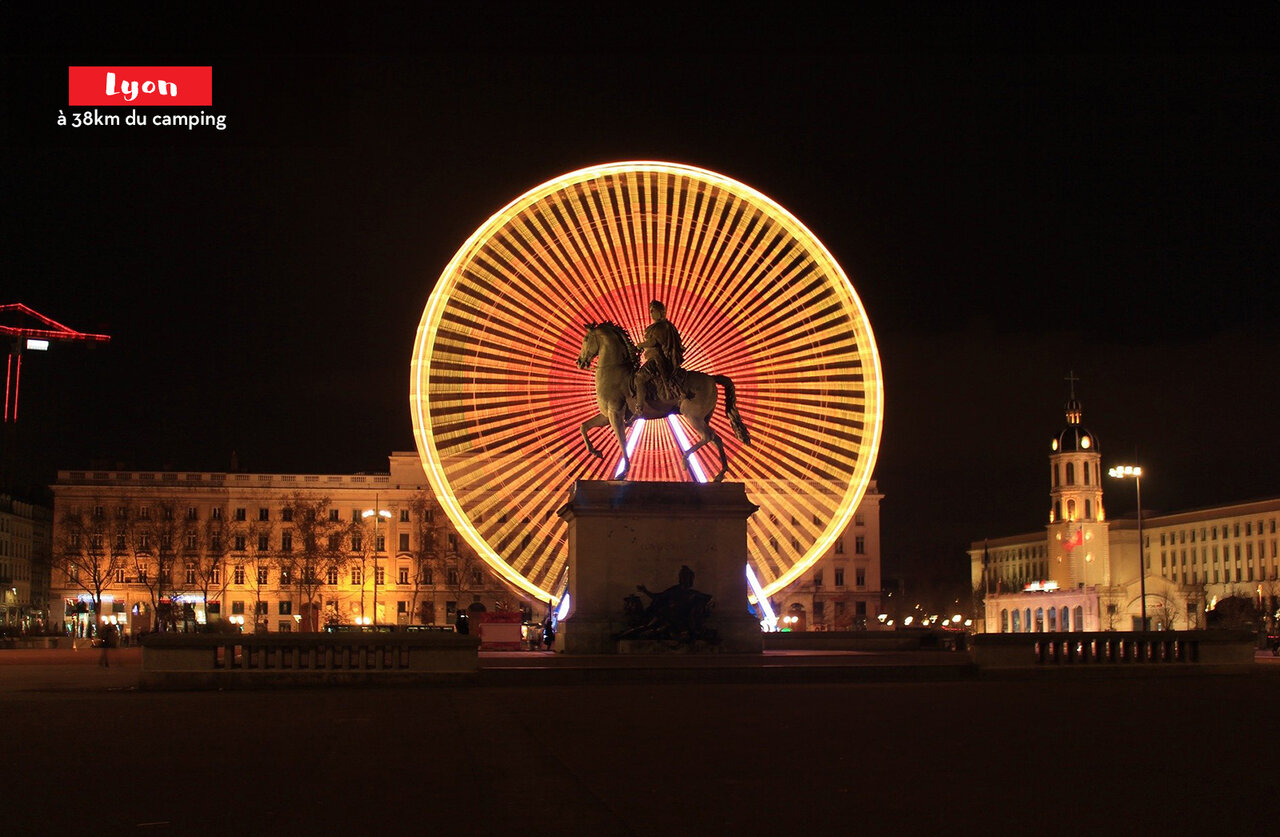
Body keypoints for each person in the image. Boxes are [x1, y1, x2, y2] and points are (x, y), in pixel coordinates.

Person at [634, 300, 684, 413]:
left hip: (659, 359)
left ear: (660, 312)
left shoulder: (663, 326)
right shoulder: (659, 326)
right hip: (654, 357)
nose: (651, 313)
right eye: (650, 311)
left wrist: (640, 345)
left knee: (639, 377)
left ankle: (639, 407)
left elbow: (653, 342)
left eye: (653, 311)